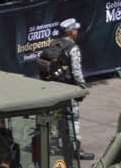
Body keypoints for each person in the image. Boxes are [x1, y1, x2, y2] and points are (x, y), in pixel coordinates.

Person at [36, 19, 91, 159]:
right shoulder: (73, 48)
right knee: (74, 118)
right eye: (76, 30)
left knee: (54, 116)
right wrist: (83, 88)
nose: (77, 32)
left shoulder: (53, 44)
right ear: (72, 31)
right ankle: (76, 149)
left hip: (53, 88)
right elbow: (77, 72)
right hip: (69, 89)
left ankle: (52, 146)